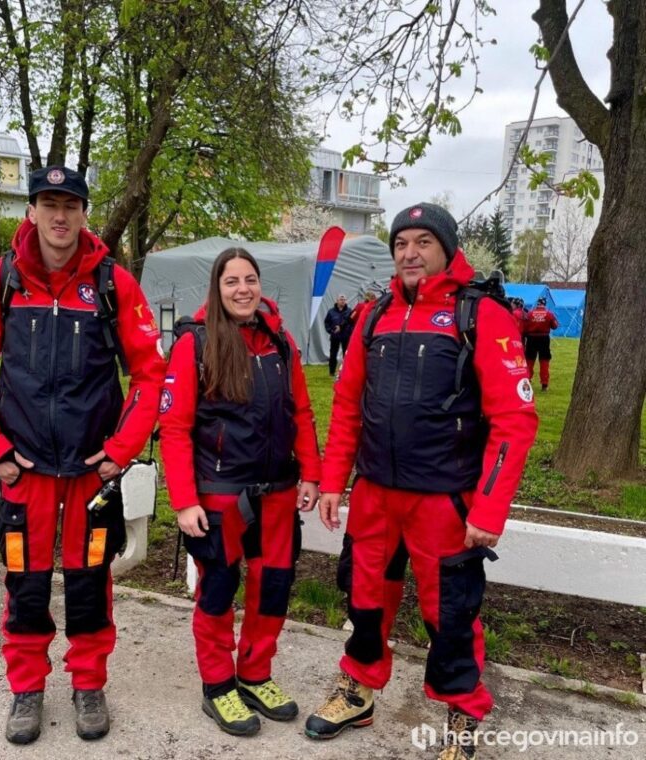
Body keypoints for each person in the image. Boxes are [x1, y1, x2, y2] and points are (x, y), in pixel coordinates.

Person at [304, 203, 538, 759]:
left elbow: (515, 421)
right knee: (364, 599)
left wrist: (487, 509)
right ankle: (358, 687)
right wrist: (335, 481)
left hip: (444, 502)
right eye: (401, 243)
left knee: (449, 612)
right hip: (375, 497)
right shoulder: (374, 315)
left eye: (422, 242)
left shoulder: (479, 315)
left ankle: (463, 708)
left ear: (447, 249)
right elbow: (347, 405)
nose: (409, 252)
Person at [0, 166, 166, 745]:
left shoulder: (114, 284)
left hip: (93, 473)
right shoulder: (2, 280)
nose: (60, 216)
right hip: (26, 470)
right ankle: (28, 689)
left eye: (71, 204)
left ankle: (88, 684)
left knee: (91, 580)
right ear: (33, 211)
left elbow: (150, 374)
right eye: (49, 203)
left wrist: (121, 452)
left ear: (85, 213)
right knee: (25, 583)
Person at [159, 247, 321, 737]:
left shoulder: (280, 340)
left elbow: (303, 413)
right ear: (217, 287)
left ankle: (254, 673)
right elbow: (174, 427)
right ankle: (218, 685)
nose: (243, 289)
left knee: (271, 589)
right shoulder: (195, 343)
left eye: (250, 279)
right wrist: (185, 501)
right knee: (218, 591)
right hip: (220, 496)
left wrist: (311, 474)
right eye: (232, 281)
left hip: (277, 493)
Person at [524, 296, 559, 391]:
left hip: (531, 338)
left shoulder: (530, 314)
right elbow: (555, 326)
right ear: (545, 304)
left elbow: (525, 326)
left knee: (529, 361)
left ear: (537, 303)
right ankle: (544, 384)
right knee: (544, 361)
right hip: (544, 339)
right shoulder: (549, 314)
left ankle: (527, 380)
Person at [324, 293, 352, 375]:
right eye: (341, 300)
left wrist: (349, 331)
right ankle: (332, 372)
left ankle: (345, 371)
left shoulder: (349, 311)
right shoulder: (331, 312)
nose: (343, 301)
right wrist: (331, 331)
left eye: (344, 300)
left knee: (346, 355)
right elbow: (326, 323)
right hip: (335, 336)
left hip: (345, 336)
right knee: (333, 354)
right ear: (337, 301)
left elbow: (352, 322)